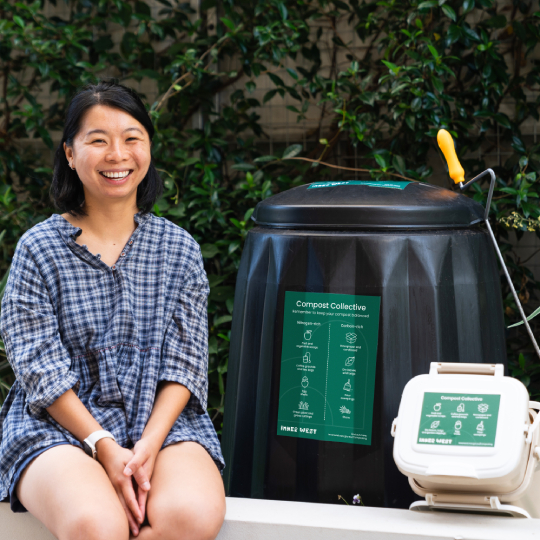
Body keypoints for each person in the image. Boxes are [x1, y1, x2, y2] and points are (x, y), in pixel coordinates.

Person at [0, 81, 226, 540]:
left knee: (192, 516)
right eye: (98, 140)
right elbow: (39, 368)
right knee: (96, 525)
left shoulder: (178, 248)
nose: (116, 154)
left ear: (148, 148)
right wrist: (102, 444)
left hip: (160, 422)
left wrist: (147, 446)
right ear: (69, 153)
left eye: (131, 138)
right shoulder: (38, 250)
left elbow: (185, 365)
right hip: (59, 426)